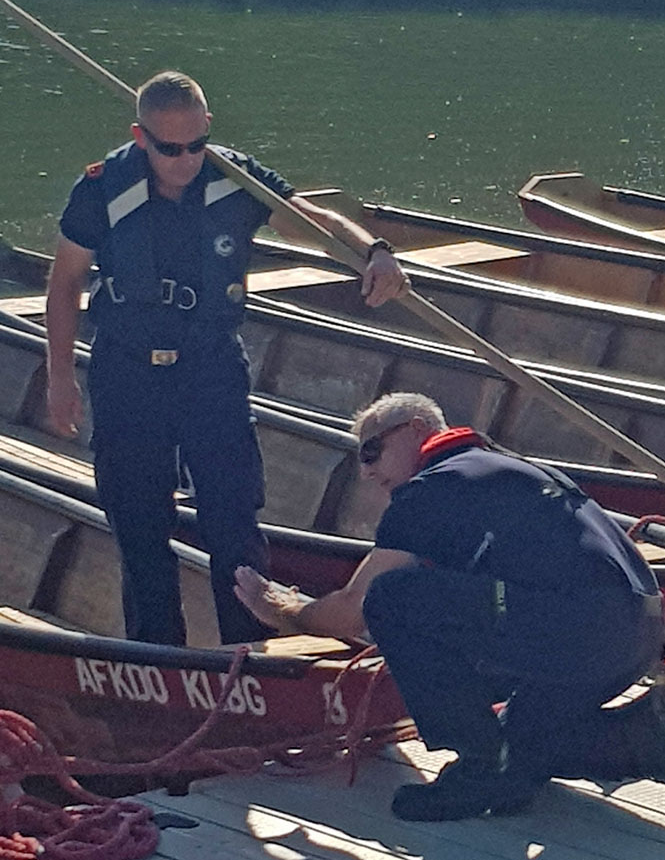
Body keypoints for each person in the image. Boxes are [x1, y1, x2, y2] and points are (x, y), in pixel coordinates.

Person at [46, 71, 409, 646]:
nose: (186, 159)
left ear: (207, 129)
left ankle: (246, 652)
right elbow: (65, 283)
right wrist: (60, 379)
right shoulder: (101, 188)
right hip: (127, 373)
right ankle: (157, 656)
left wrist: (374, 251)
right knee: (140, 528)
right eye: (170, 149)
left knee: (233, 520)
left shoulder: (236, 178)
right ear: (141, 137)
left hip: (209, 368)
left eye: (196, 144)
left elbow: (311, 220)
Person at [234, 392, 664, 821]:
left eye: (372, 452)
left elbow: (353, 608)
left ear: (417, 430)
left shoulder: (431, 488)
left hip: (577, 628)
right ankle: (649, 737)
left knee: (392, 597)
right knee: (524, 751)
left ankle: (478, 764)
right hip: (635, 631)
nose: (366, 472)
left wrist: (283, 610)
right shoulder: (507, 468)